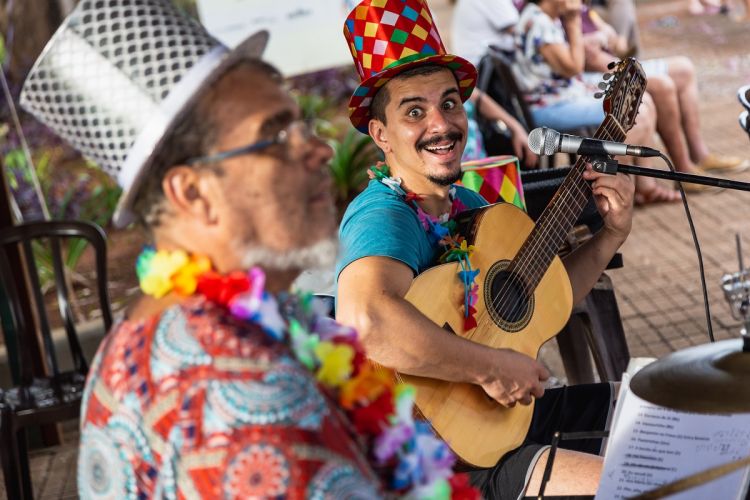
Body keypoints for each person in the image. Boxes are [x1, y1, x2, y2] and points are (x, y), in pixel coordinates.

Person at [20, 1, 479, 498]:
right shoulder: (242, 394)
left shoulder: (219, 324)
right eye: (274, 137)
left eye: (301, 126)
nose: (320, 149)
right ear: (193, 193)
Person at [338, 0, 631, 497]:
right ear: (381, 135)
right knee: (632, 484)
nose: (441, 123)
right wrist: (492, 366)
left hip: (510, 422)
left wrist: (610, 235)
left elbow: (543, 296)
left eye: (449, 103)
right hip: (441, 464)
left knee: (659, 415)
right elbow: (369, 321)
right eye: (415, 111)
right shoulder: (385, 215)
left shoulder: (468, 203)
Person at [581, 4, 746, 185]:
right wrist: (613, 52)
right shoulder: (563, 13)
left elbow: (617, 43)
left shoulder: (580, 9)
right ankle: (683, 172)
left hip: (613, 64)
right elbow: (590, 59)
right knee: (662, 86)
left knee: (684, 68)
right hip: (596, 76)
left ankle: (699, 155)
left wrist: (605, 36)